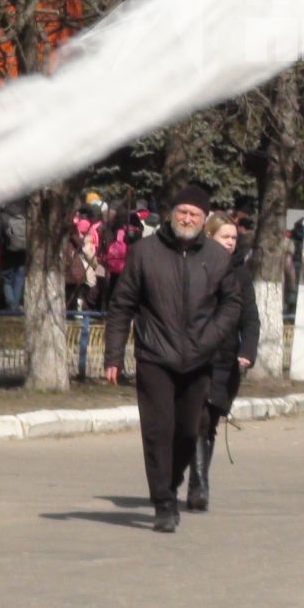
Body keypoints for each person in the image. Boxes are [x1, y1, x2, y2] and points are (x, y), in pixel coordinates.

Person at [104, 184, 242, 532]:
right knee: (157, 431)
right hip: (155, 356)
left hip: (199, 359)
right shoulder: (145, 253)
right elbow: (122, 305)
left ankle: (172, 479)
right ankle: (163, 504)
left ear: (204, 218)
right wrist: (114, 355)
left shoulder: (217, 257)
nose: (187, 218)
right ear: (171, 214)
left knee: (186, 432)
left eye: (194, 214)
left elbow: (232, 304)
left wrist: (210, 338)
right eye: (182, 211)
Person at [189, 212, 259, 513]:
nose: (230, 242)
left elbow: (251, 318)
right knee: (197, 420)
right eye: (224, 237)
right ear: (209, 237)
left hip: (226, 360)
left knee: (210, 421)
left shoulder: (240, 275)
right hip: (193, 356)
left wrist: (248, 351)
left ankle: (198, 481)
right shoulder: (193, 268)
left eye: (233, 238)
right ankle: (199, 485)